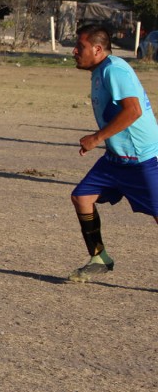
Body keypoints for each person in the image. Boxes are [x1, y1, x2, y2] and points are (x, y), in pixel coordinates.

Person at [67, 23, 158, 282]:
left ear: (97, 49)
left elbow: (134, 110)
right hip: (116, 159)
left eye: (81, 46)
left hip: (142, 159)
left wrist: (96, 138)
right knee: (82, 197)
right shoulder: (100, 71)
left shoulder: (114, 70)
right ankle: (99, 258)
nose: (75, 51)